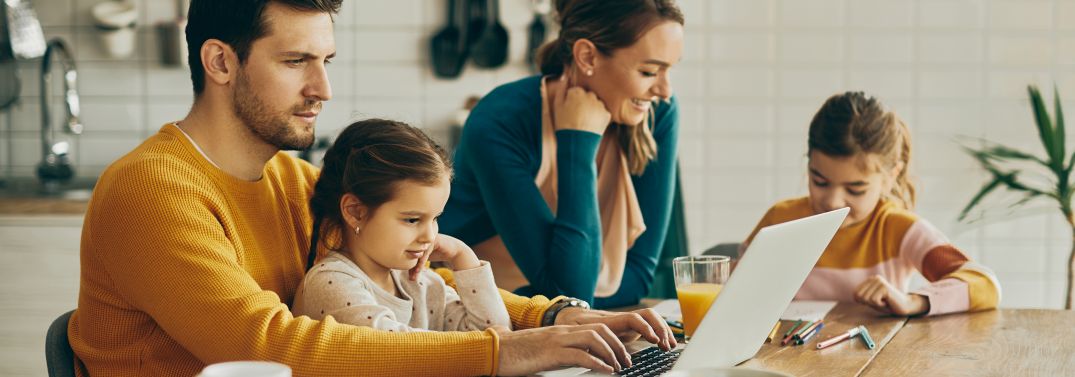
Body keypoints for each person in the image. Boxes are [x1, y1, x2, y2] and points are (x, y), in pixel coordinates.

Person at [68, 1, 675, 376]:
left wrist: (561, 317)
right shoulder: (152, 191)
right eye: (295, 61)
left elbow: (420, 285)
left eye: (326, 60)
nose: (323, 88)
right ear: (221, 63)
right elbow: (274, 348)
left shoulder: (292, 181)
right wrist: (511, 353)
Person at [440, 0, 684, 309]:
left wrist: (568, 300)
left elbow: (637, 276)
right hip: (476, 316)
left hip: (566, 319)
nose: (665, 90)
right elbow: (570, 292)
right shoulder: (500, 122)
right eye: (649, 71)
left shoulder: (657, 113)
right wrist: (578, 141)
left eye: (669, 69)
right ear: (587, 56)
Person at [742, 92, 1001, 316]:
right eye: (820, 181)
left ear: (891, 177)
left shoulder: (899, 229)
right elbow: (734, 292)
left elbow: (985, 284)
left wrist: (913, 301)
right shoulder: (781, 219)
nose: (833, 201)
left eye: (855, 189)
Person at [293, 119, 512, 333]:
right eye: (412, 220)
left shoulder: (419, 282)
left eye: (435, 218)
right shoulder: (330, 283)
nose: (429, 236)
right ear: (355, 212)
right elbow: (402, 353)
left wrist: (462, 255)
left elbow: (496, 336)